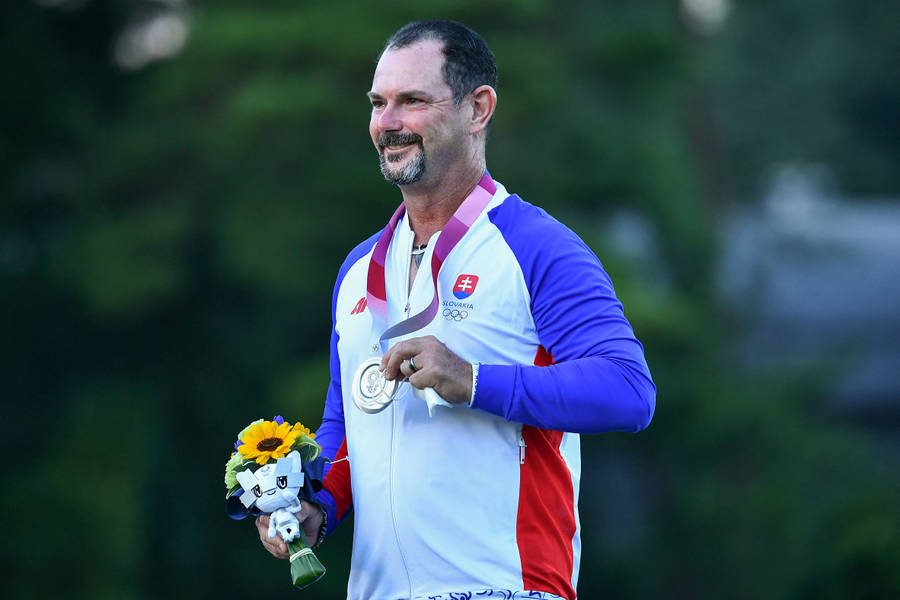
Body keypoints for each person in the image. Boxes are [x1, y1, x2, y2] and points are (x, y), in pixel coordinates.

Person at [257, 19, 655, 600]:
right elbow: (348, 431)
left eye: (412, 101)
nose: (388, 123)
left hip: (506, 588)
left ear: (478, 108)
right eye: (378, 103)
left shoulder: (537, 247)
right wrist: (316, 507)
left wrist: (471, 380)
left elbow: (629, 390)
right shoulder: (356, 270)